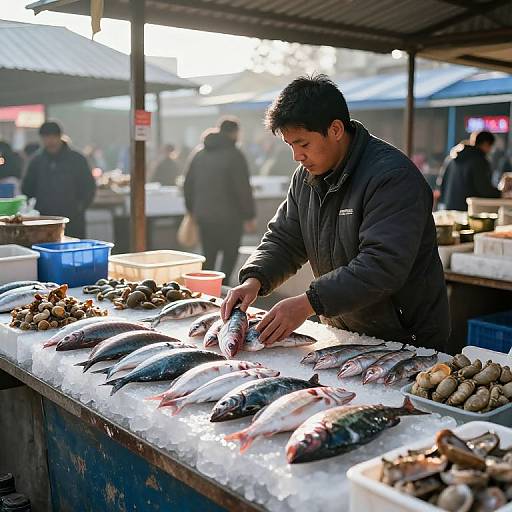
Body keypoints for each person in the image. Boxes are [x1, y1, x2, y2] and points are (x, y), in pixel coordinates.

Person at [221, 75, 450, 353]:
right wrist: (254, 280)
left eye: (303, 144)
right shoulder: (305, 177)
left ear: (336, 129)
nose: (297, 156)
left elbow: (382, 265)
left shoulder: (393, 178)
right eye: (290, 145)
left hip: (406, 338)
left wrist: (308, 303)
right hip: (345, 330)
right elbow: (285, 238)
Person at [183, 117, 256, 282]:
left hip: (204, 216)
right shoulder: (235, 154)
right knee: (230, 255)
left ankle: (206, 289)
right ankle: (222, 288)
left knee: (208, 254)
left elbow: (188, 185)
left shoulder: (199, 154)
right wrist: (249, 216)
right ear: (235, 132)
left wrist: (192, 210)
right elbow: (243, 188)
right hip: (231, 218)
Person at [22, 121, 96, 238]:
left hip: (73, 220)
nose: (50, 141)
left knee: (74, 251)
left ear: (60, 136)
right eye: (46, 137)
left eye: (53, 137)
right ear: (41, 139)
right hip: (45, 221)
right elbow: (27, 188)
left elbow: (89, 187)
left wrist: (79, 207)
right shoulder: (36, 162)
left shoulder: (77, 159)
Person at [440, 131, 500, 211]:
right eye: (490, 147)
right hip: (467, 210)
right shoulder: (478, 160)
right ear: (486, 144)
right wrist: (500, 193)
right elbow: (484, 189)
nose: (490, 151)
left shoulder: (452, 157)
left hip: (449, 208)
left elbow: (442, 184)